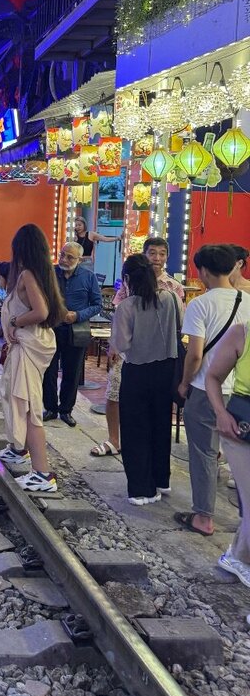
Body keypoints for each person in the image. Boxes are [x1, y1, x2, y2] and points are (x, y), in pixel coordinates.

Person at [176, 244, 250, 535]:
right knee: (243, 459)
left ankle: (204, 517)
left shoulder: (200, 304)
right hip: (242, 391)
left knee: (204, 453)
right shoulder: (248, 301)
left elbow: (195, 354)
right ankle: (245, 521)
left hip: (208, 389)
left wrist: (184, 383)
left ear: (203, 271)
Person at [91, 236, 184, 458]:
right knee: (114, 393)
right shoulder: (129, 282)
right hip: (126, 350)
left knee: (151, 402)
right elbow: (119, 312)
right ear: (144, 254)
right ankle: (114, 439)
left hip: (157, 353)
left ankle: (145, 444)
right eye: (153, 253)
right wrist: (113, 346)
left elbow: (179, 323)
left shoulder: (173, 288)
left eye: (162, 254)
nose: (157, 258)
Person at [0, 226, 64, 493]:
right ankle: (18, 449)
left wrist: (14, 321)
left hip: (28, 346)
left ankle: (42, 473)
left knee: (29, 406)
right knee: (22, 399)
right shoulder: (40, 273)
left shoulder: (27, 275)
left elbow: (41, 311)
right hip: (28, 344)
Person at [109, 254, 180, 505]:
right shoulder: (171, 298)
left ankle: (142, 489)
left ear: (127, 278)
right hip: (167, 371)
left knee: (135, 429)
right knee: (161, 425)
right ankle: (161, 479)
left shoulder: (127, 307)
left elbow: (121, 344)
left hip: (137, 371)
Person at [204, 319, 250, 588]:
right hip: (241, 430)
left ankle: (237, 555)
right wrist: (221, 413)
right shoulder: (242, 332)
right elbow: (213, 376)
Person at [42, 241, 102, 427]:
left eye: (70, 257)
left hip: (76, 331)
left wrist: (77, 315)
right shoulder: (50, 273)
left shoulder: (88, 277)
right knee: (49, 371)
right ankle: (50, 407)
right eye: (62, 255)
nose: (64, 260)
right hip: (51, 328)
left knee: (72, 372)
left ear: (79, 259)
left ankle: (66, 410)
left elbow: (97, 304)